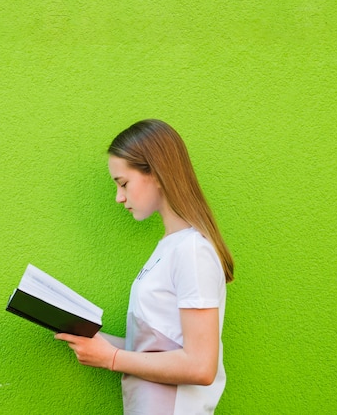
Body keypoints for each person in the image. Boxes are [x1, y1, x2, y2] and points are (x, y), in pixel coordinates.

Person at [55, 119, 235, 414]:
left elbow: (202, 366)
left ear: (158, 173)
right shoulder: (170, 246)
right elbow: (159, 348)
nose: (119, 197)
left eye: (123, 183)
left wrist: (111, 358)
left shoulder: (192, 250)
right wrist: (96, 341)